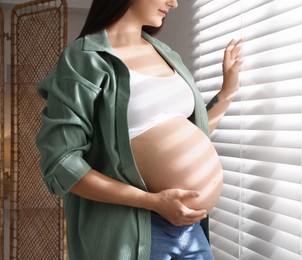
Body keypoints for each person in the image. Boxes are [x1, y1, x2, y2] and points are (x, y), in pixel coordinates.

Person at [36, 0, 242, 259]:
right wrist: (153, 202)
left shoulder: (166, 54)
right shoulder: (85, 58)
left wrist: (227, 92)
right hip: (134, 232)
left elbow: (190, 138)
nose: (174, 3)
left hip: (189, 229)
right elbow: (61, 163)